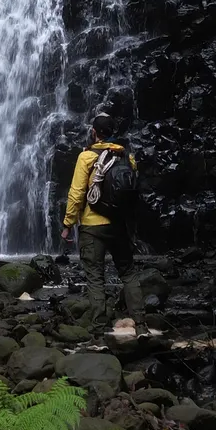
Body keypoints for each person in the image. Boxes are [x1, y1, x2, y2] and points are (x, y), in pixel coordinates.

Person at [60, 113, 146, 332]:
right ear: (112, 133)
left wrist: (68, 224)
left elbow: (77, 192)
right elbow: (132, 191)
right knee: (128, 272)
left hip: (92, 226)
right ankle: (141, 323)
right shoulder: (127, 156)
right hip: (118, 224)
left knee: (95, 276)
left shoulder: (86, 157)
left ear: (94, 132)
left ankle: (99, 327)